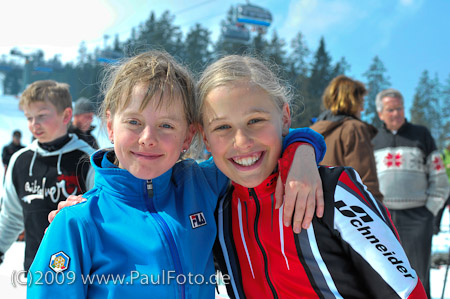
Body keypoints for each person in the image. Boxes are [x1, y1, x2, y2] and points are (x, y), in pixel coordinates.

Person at [28, 51, 326, 298]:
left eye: (167, 126)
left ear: (189, 137)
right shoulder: (78, 223)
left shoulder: (202, 185)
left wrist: (302, 150)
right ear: (110, 124)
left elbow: (260, 146)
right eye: (133, 122)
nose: (148, 138)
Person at [196, 56, 426, 298]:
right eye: (222, 127)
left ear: (285, 118)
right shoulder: (217, 210)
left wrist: (303, 145)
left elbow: (405, 291)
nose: (241, 141)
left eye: (255, 120)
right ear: (204, 136)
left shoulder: (333, 193)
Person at [0, 80, 95, 272]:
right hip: (37, 272)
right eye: (29, 117)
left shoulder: (88, 160)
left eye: (42, 116)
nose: (34, 124)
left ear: (66, 115)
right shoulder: (20, 161)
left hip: (83, 275)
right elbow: (11, 216)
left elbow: (102, 218)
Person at [372, 88, 450, 297]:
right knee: (384, 273)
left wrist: (429, 211)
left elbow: (439, 177)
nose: (396, 113)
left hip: (417, 217)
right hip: (383, 217)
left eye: (399, 109)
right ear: (380, 113)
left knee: (418, 275)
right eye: (390, 110)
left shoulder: (421, 134)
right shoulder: (374, 138)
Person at [310, 75, 383, 202]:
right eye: (361, 102)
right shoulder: (354, 129)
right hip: (348, 212)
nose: (363, 108)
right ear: (352, 101)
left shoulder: (311, 132)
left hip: (316, 211)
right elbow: (364, 180)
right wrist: (378, 211)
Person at [434, 138, 450, 234]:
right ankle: (435, 228)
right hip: (443, 187)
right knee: (440, 208)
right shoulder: (442, 155)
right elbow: (437, 169)